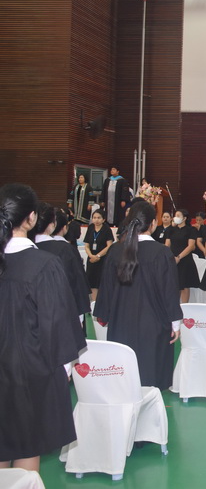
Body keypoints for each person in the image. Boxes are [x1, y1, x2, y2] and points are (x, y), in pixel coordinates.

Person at [0, 183, 85, 472]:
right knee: (27, 445)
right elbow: (57, 322)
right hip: (30, 369)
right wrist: (64, 368)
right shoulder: (44, 264)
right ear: (32, 217)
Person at [94, 201, 184, 390]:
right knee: (150, 378)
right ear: (153, 223)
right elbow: (170, 291)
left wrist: (105, 315)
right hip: (153, 325)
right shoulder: (162, 253)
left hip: (120, 323)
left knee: (123, 378)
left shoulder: (116, 250)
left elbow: (106, 287)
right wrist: (175, 323)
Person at [30, 203, 91, 329]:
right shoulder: (65, 250)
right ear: (52, 224)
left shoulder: (25, 249)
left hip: (30, 318)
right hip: (60, 316)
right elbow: (76, 284)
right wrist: (79, 317)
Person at [164, 208, 200, 303]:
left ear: (184, 218)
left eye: (178, 216)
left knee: (184, 285)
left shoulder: (190, 230)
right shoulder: (170, 230)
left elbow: (191, 246)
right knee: (174, 284)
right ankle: (174, 305)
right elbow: (167, 245)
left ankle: (184, 306)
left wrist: (179, 257)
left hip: (185, 259)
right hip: (172, 259)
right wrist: (170, 256)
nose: (175, 217)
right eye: (175, 216)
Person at [84, 209, 114, 301]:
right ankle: (94, 302)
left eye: (99, 218)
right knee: (92, 281)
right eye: (94, 218)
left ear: (103, 219)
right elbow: (86, 245)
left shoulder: (106, 229)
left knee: (101, 281)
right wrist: (91, 256)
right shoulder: (90, 228)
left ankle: (102, 302)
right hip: (91, 259)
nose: (96, 220)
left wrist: (98, 256)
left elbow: (109, 246)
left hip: (102, 259)